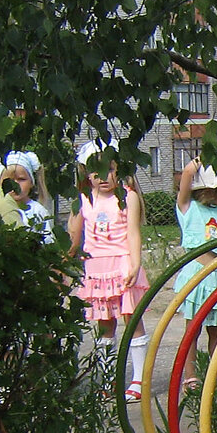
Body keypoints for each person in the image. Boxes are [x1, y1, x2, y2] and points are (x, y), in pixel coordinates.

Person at [68, 141, 151, 403]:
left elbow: (133, 234)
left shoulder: (128, 197)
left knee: (133, 321)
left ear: (120, 169)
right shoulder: (83, 200)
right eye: (96, 171)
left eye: (110, 169)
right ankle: (107, 378)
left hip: (123, 264)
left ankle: (139, 380)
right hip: (96, 268)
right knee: (105, 325)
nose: (104, 177)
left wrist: (134, 264)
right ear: (85, 172)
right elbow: (74, 237)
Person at [174, 156, 217, 390]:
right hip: (197, 277)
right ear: (212, 189)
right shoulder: (188, 208)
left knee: (216, 332)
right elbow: (185, 176)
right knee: (192, 331)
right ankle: (190, 375)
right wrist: (199, 162)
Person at [0, 152, 52, 240]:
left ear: (31, 182)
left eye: (21, 179)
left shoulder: (38, 211)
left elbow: (48, 242)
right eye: (8, 180)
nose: (15, 185)